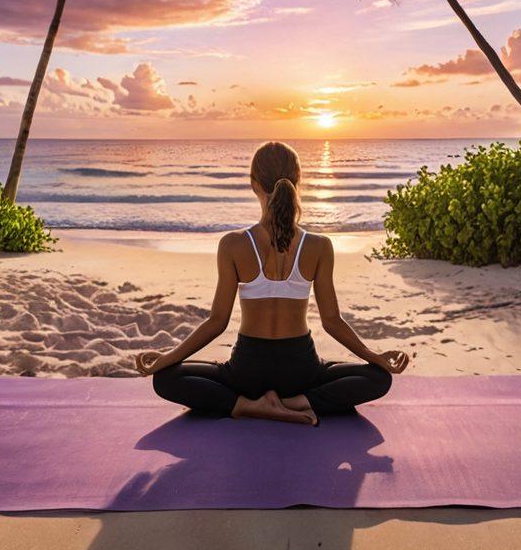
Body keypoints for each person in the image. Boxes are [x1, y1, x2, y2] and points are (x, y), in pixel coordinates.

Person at [135, 141, 409, 425]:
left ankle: (247, 406)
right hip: (301, 372)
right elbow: (332, 321)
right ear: (298, 181)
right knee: (377, 379)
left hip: (247, 372)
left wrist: (168, 358)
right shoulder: (319, 246)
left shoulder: (233, 244)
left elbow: (217, 322)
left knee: (166, 379)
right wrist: (373, 356)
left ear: (254, 184)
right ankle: (299, 402)